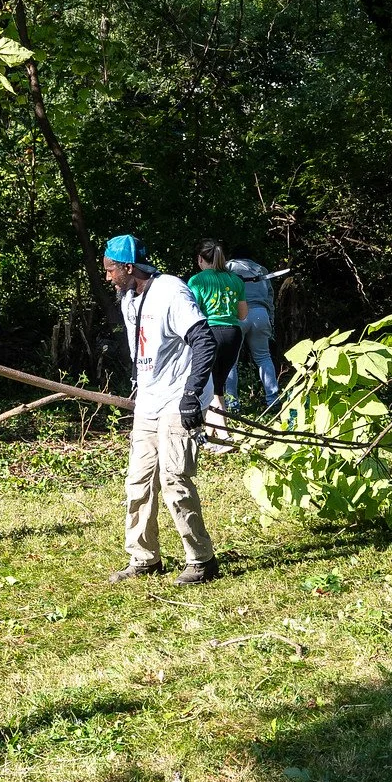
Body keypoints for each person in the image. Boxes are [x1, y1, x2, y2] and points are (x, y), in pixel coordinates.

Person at [102, 235, 220, 585]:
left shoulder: (172, 292)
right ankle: (144, 558)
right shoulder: (129, 299)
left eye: (110, 270)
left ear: (128, 267)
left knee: (174, 480)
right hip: (149, 402)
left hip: (178, 399)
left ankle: (201, 559)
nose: (108, 277)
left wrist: (192, 396)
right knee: (138, 482)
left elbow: (204, 340)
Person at [187, 240, 246, 443]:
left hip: (209, 335)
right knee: (217, 385)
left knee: (210, 387)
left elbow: (191, 311)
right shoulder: (236, 280)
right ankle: (211, 434)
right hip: (233, 335)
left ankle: (223, 437)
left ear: (200, 259)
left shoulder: (197, 281)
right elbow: (243, 314)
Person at [225, 251, 282, 408]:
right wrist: (271, 319)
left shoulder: (227, 267)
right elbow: (270, 298)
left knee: (231, 362)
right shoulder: (261, 270)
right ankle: (273, 400)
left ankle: (232, 404)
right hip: (260, 314)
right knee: (264, 357)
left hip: (238, 315)